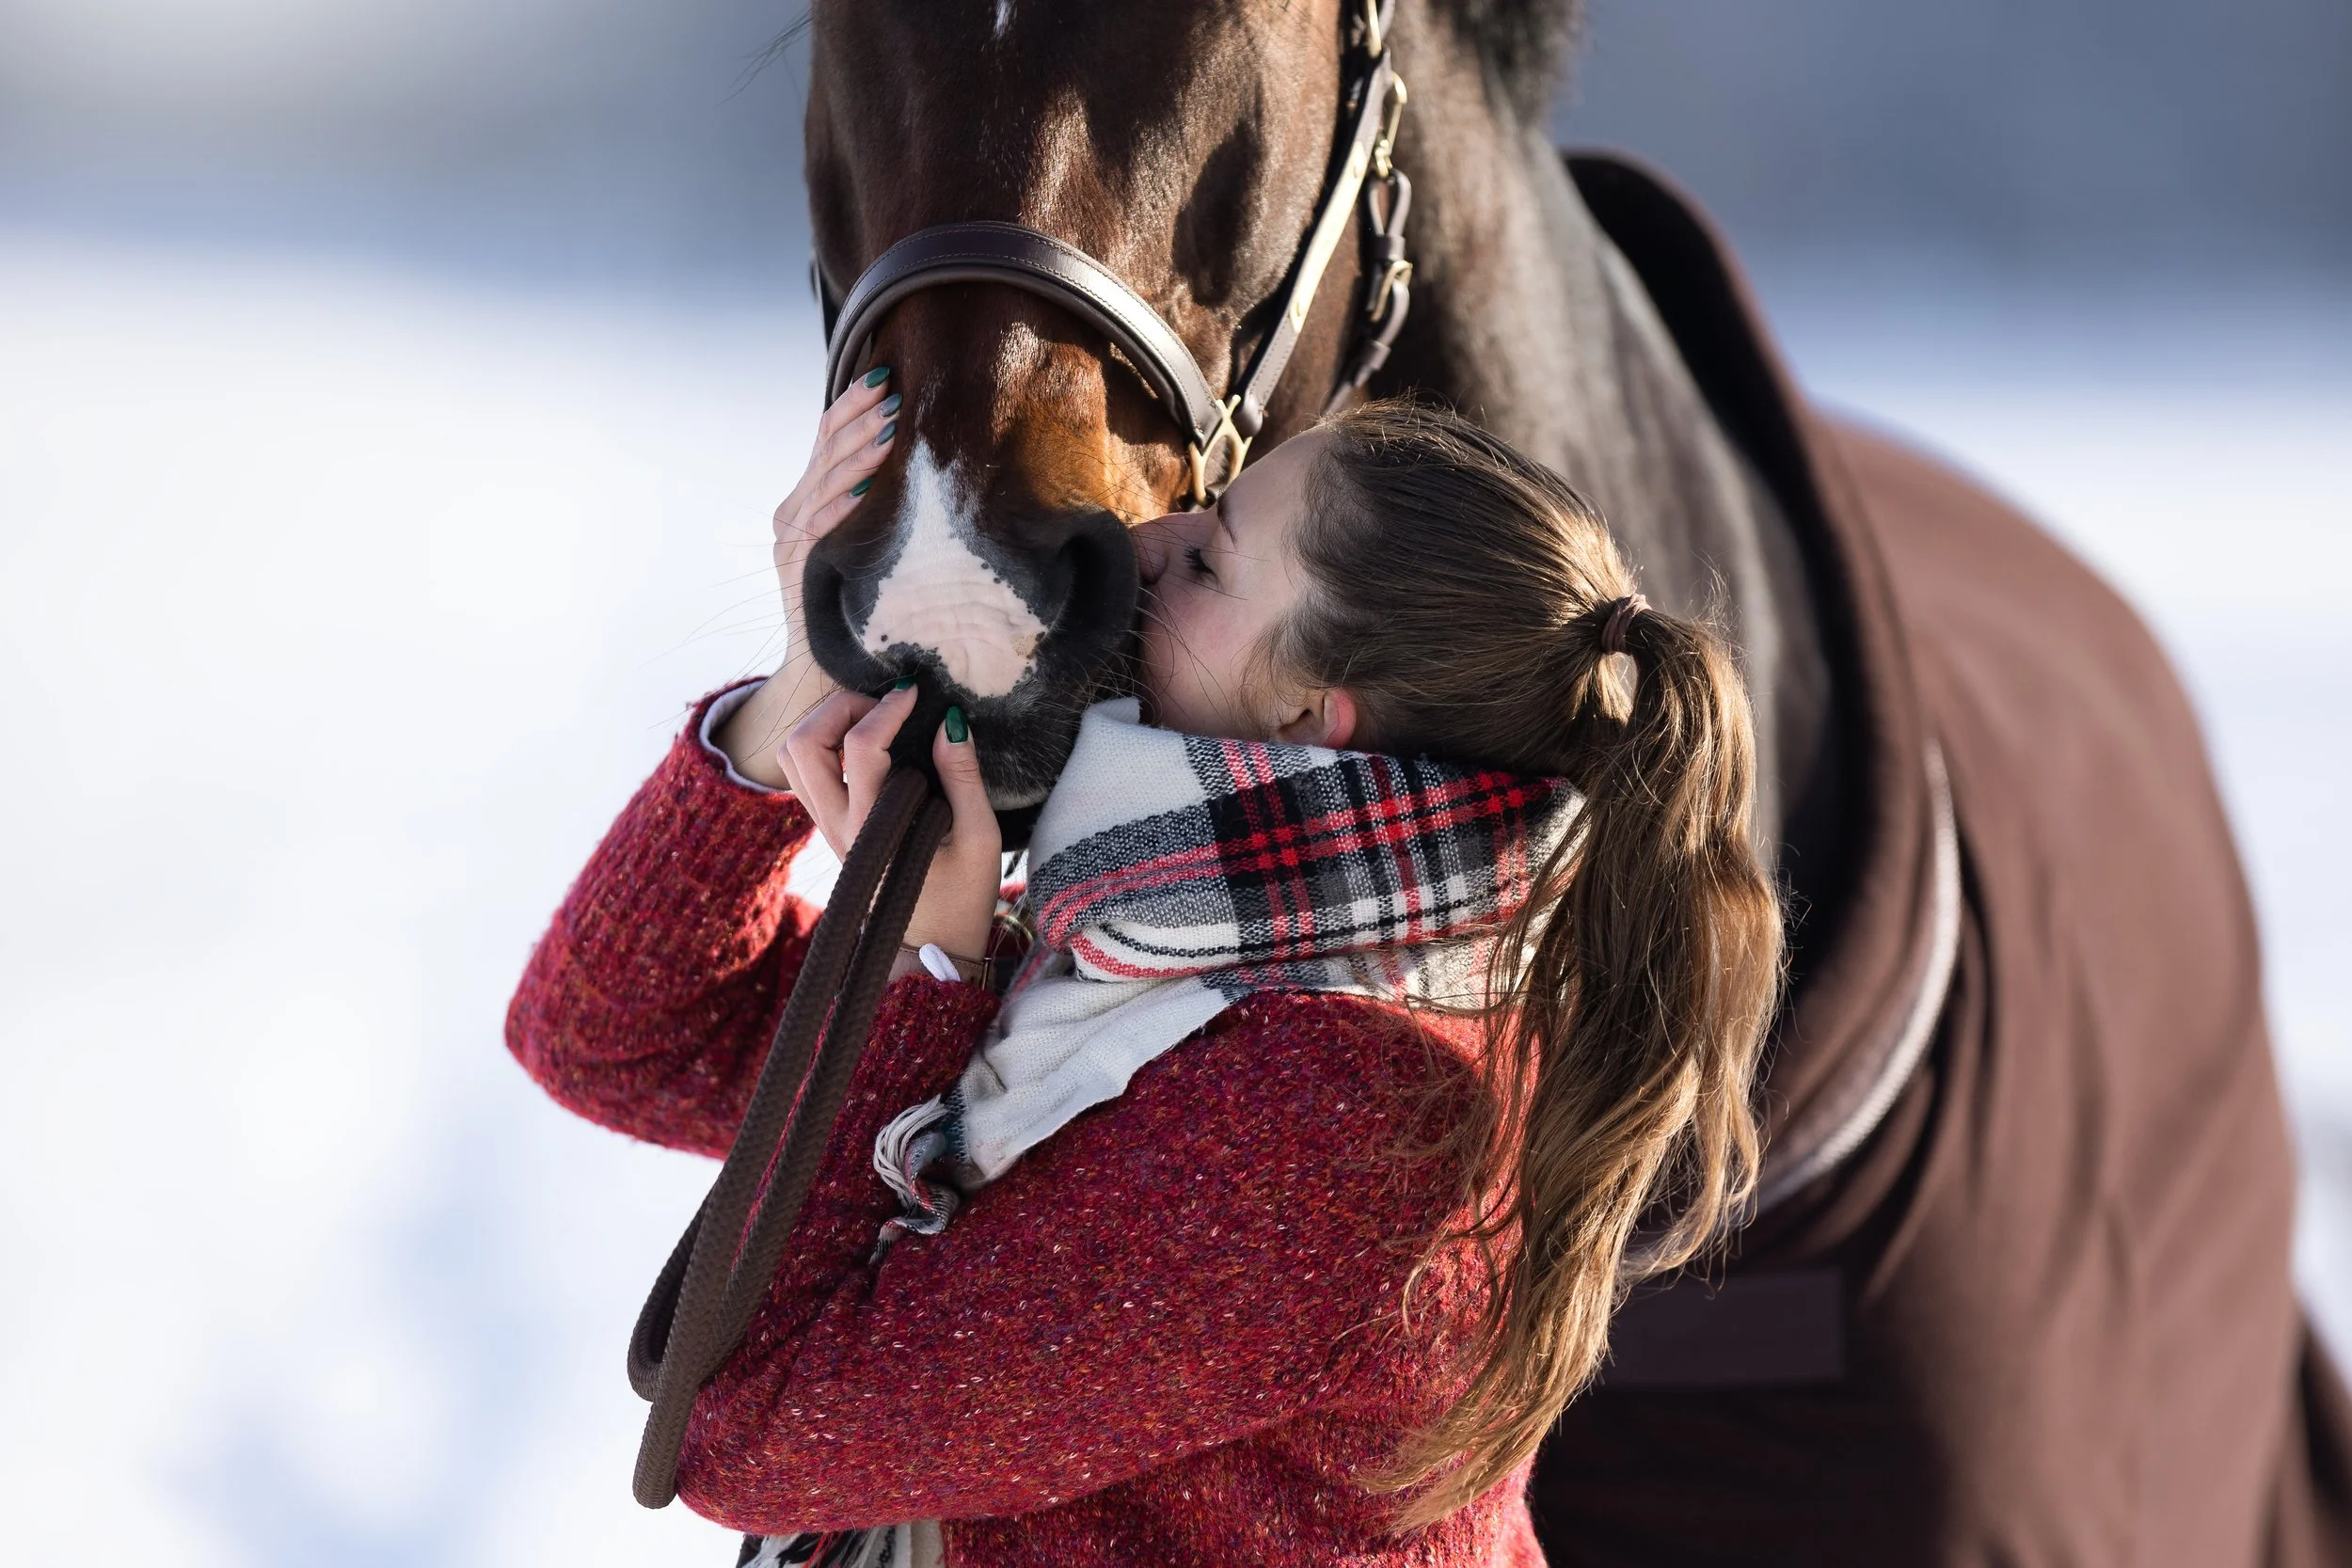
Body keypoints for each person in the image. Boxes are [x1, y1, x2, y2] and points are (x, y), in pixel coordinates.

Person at [508, 379, 1783, 1566]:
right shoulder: (1159, 950)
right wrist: (803, 677)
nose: (1145, 540)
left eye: (1213, 558)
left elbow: (747, 1434)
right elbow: (612, 1037)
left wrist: (923, 972)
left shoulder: (1340, 1109)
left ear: (1308, 715)